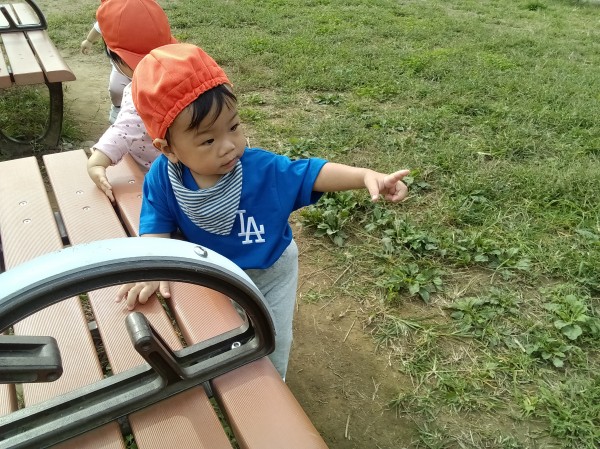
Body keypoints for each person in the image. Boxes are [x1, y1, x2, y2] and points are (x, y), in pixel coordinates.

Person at [117, 43, 410, 379]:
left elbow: (310, 173)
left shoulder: (260, 169)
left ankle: (274, 386)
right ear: (168, 149)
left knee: (271, 339)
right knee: (227, 337)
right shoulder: (164, 178)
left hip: (271, 270)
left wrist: (365, 176)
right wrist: (152, 267)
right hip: (219, 276)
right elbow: (156, 225)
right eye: (208, 141)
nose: (229, 146)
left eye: (233, 127)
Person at [86, 0, 176, 202]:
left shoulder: (141, 91)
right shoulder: (183, 74)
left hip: (157, 177)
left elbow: (123, 131)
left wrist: (97, 162)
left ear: (117, 58)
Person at [80, 21, 130, 124]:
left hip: (147, 63)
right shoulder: (114, 15)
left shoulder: (149, 15)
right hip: (121, 63)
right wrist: (89, 40)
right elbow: (101, 24)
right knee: (116, 89)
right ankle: (118, 108)